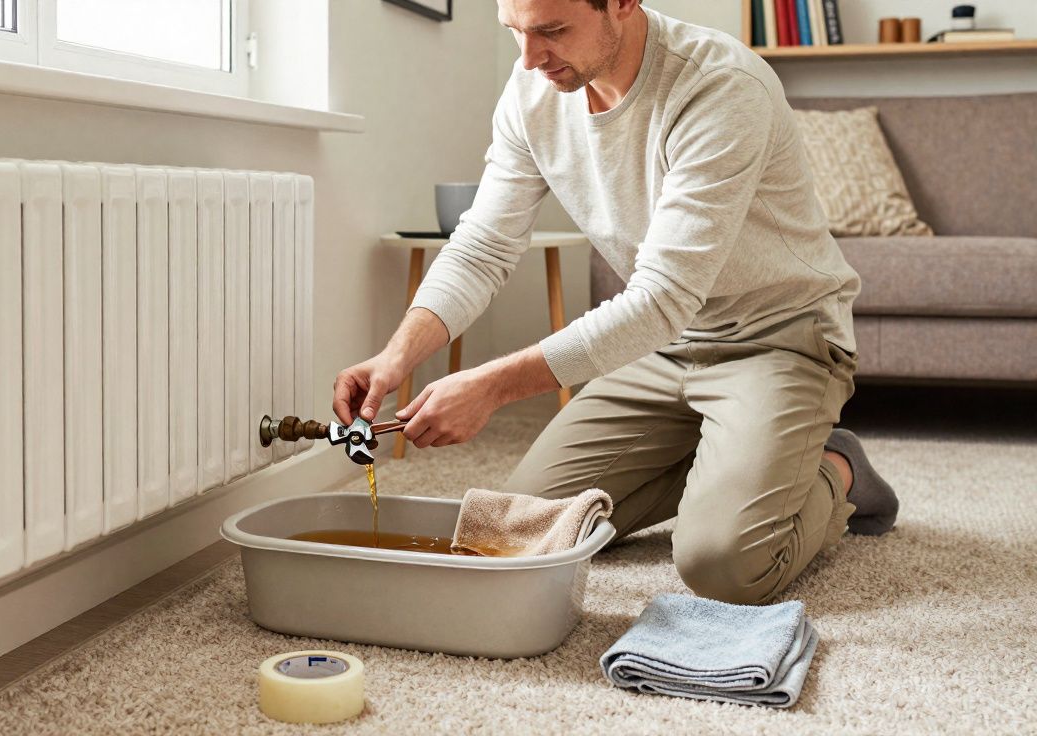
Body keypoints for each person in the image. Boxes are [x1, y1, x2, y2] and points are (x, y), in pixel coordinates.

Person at [332, 0, 900, 605]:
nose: (529, 59)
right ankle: (735, 458)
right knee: (524, 530)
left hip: (777, 340)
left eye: (552, 31)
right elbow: (481, 246)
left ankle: (833, 465)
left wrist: (492, 387)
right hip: (662, 348)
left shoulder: (721, 87)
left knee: (725, 565)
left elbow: (661, 297)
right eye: (515, 32)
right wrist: (397, 356)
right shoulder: (534, 88)